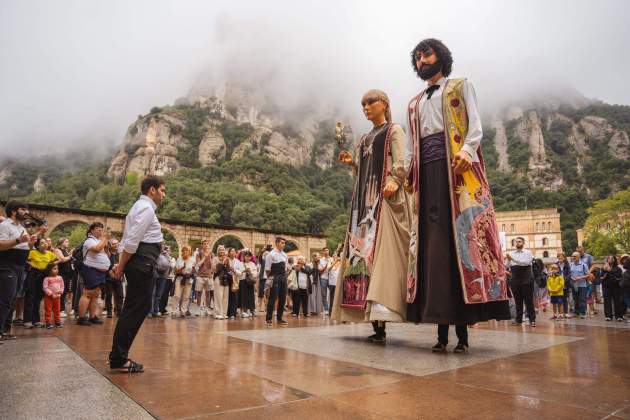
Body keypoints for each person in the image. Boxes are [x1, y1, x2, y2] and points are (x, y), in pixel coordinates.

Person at [404, 39, 510, 352]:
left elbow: (474, 125)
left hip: (457, 173)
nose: (423, 60)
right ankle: (439, 333)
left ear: (441, 57)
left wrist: (466, 150)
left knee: (459, 245)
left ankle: (462, 336)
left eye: (428, 53)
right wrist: (409, 173)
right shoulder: (413, 102)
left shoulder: (461, 86)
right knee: (433, 248)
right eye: (419, 56)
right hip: (427, 174)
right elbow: (412, 144)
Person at [333, 89, 411, 344]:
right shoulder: (364, 138)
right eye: (363, 103)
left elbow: (403, 160)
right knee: (363, 261)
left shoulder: (394, 131)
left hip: (384, 201)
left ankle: (384, 317)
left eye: (370, 102)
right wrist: (352, 164)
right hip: (363, 207)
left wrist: (396, 180)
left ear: (384, 104)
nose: (365, 107)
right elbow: (365, 169)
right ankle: (375, 325)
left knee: (382, 260)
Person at [109, 175, 166, 373]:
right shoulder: (146, 208)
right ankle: (118, 357)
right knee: (135, 309)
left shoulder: (140, 207)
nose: (164, 195)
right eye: (162, 190)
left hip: (140, 261)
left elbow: (127, 239)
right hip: (141, 262)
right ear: (152, 190)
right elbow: (132, 241)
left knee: (136, 308)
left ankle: (119, 355)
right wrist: (121, 265)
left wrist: (120, 263)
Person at [0, 201, 38, 340]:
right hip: (7, 265)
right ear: (13, 211)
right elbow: (1, 245)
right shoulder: (4, 225)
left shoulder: (21, 227)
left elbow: (24, 246)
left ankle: (5, 330)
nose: (26, 212)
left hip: (20, 266)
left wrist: (30, 244)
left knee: (12, 299)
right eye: (23, 209)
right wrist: (18, 240)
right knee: (5, 298)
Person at [77, 222, 109, 326]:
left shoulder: (99, 241)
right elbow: (96, 250)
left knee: (95, 294)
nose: (100, 231)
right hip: (90, 269)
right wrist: (104, 239)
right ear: (92, 230)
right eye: (98, 229)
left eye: (101, 229)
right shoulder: (89, 240)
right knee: (87, 293)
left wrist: (105, 243)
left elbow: (106, 254)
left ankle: (92, 316)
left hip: (100, 271)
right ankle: (81, 318)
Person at [24, 237, 58, 328]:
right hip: (33, 275)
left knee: (38, 298)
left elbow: (58, 260)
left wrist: (50, 266)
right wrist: (31, 265)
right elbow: (25, 260)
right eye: (42, 243)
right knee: (30, 297)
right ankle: (27, 320)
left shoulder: (50, 254)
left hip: (43, 276)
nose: (45, 244)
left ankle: (36, 320)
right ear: (38, 246)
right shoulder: (32, 252)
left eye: (46, 242)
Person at [507, 238, 536, 327]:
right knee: (518, 301)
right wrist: (508, 260)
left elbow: (526, 263)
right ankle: (518, 320)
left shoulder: (528, 252)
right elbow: (507, 265)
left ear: (523, 243)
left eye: (519, 241)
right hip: (515, 279)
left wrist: (513, 259)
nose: (517, 243)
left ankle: (532, 320)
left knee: (528, 301)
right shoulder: (511, 253)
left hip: (526, 279)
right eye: (516, 241)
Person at [265, 237, 289, 326]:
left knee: (283, 298)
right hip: (274, 276)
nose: (284, 244)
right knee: (272, 298)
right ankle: (268, 318)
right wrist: (271, 280)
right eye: (282, 242)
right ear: (277, 243)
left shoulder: (285, 255)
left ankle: (280, 318)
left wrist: (285, 277)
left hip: (283, 277)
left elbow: (286, 268)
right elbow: (267, 270)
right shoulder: (270, 254)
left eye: (284, 243)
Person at [52, 237, 74, 318]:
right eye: (66, 241)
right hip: (61, 273)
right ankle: (60, 310)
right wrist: (71, 256)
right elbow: (62, 259)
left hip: (68, 274)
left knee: (65, 292)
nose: (68, 243)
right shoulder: (57, 250)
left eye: (68, 241)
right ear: (61, 242)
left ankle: (62, 309)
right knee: (60, 292)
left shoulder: (66, 251)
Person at [172, 246, 195, 318]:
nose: (185, 252)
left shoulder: (192, 260)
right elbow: (175, 271)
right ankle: (174, 311)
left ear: (189, 252)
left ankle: (183, 311)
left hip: (188, 280)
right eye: (184, 251)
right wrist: (182, 268)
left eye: (187, 251)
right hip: (180, 278)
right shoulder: (179, 259)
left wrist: (193, 270)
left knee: (186, 296)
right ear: (182, 252)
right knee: (177, 295)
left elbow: (195, 271)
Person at [105, 239, 124, 318]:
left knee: (120, 295)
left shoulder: (120, 254)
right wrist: (111, 269)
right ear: (110, 245)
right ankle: (109, 311)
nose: (116, 245)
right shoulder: (107, 254)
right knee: (109, 295)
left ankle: (119, 310)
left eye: (117, 243)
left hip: (118, 278)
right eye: (113, 244)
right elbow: (105, 264)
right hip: (108, 278)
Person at [151, 243, 172, 317]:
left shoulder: (166, 254)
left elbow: (169, 264)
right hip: (155, 275)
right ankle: (150, 311)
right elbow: (153, 262)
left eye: (163, 245)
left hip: (163, 276)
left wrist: (166, 254)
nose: (162, 246)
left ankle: (156, 311)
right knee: (153, 294)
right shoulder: (154, 252)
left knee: (159, 295)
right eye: (160, 244)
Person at [194, 240, 214, 316]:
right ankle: (198, 309)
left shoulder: (211, 254)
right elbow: (198, 265)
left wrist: (210, 257)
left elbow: (213, 266)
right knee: (199, 293)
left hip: (208, 276)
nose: (206, 245)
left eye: (207, 244)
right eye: (204, 244)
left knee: (208, 293)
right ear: (202, 245)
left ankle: (206, 309)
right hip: (200, 276)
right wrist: (204, 258)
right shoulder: (199, 254)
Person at [601, 256, 623, 321]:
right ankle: (608, 316)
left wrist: (610, 271)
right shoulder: (603, 268)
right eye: (609, 258)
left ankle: (619, 316)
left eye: (612, 258)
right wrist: (605, 271)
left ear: (614, 260)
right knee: (607, 301)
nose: (610, 259)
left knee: (617, 301)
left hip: (616, 287)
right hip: (606, 287)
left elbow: (618, 278)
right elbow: (601, 277)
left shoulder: (618, 268)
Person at [42, 263, 64, 328]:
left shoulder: (60, 278)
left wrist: (60, 292)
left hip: (57, 297)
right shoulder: (47, 279)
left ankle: (57, 321)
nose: (57, 270)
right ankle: (48, 322)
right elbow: (45, 288)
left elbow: (62, 286)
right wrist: (51, 293)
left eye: (57, 269)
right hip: (49, 297)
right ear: (49, 270)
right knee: (48, 309)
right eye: (54, 269)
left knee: (57, 310)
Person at [570, 251, 590, 319]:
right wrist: (571, 278)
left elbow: (588, 275)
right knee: (575, 299)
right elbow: (569, 274)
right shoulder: (571, 264)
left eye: (575, 256)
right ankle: (576, 312)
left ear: (578, 257)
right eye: (572, 256)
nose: (573, 257)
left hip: (582, 285)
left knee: (582, 299)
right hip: (574, 285)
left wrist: (580, 278)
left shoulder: (584, 265)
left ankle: (583, 312)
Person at [212, 246, 230, 320]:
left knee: (225, 297)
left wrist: (227, 264)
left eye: (223, 250)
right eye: (220, 250)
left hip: (226, 278)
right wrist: (222, 263)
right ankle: (218, 313)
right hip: (218, 278)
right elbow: (214, 269)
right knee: (218, 296)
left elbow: (229, 269)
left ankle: (224, 313)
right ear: (218, 251)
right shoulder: (215, 259)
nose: (222, 251)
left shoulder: (227, 259)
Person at [239, 250, 257, 318]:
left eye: (249, 256)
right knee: (244, 297)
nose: (248, 258)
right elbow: (238, 273)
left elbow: (255, 273)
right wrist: (244, 271)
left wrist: (250, 272)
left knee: (251, 296)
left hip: (250, 282)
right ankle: (244, 311)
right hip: (243, 281)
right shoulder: (241, 264)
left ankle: (251, 310)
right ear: (244, 257)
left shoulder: (252, 264)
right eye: (246, 256)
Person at [158, 246, 176, 316]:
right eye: (166, 250)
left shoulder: (172, 259)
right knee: (159, 294)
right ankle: (158, 308)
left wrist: (167, 259)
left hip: (168, 279)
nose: (167, 252)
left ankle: (163, 308)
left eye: (168, 250)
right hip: (161, 277)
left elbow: (172, 266)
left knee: (165, 294)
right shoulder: (161, 258)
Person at [227, 248, 243, 320]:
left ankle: (233, 313)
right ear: (229, 253)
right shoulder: (226, 260)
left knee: (234, 297)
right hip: (227, 279)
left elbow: (240, 272)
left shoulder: (238, 261)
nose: (233, 253)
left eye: (234, 251)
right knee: (227, 296)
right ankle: (227, 312)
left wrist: (235, 270)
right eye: (231, 251)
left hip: (235, 280)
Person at [257, 245, 272, 314]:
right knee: (261, 291)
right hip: (263, 277)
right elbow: (260, 257)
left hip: (269, 277)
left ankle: (267, 306)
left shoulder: (271, 261)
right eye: (265, 254)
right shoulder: (262, 261)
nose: (266, 255)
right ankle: (260, 306)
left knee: (268, 293)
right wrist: (263, 250)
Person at [557, 252, 573, 318]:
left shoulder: (567, 264)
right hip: (558, 285)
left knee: (565, 299)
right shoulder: (555, 265)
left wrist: (563, 281)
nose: (560, 258)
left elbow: (569, 274)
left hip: (565, 284)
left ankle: (565, 312)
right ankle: (560, 313)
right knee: (559, 299)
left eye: (561, 257)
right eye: (559, 257)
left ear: (564, 258)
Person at [318, 247, 332, 314]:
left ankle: (331, 309)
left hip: (331, 278)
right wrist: (326, 266)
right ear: (323, 252)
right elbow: (320, 271)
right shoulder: (321, 260)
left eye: (327, 250)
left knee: (332, 294)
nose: (326, 252)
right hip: (323, 278)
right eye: (325, 251)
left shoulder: (332, 259)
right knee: (324, 294)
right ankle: (326, 310)